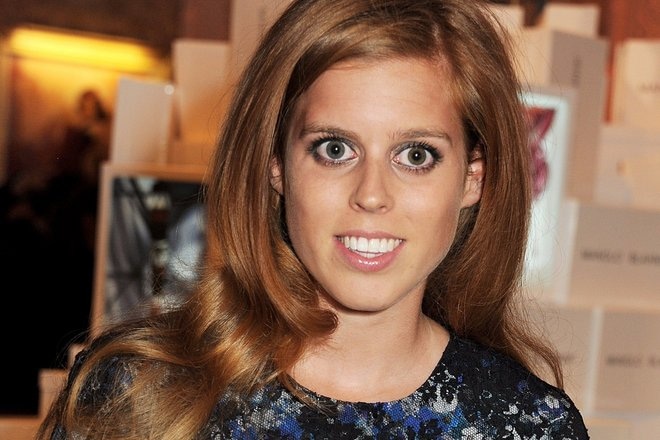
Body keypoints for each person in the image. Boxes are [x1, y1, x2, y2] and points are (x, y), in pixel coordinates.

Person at [37, 0, 590, 438]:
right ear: (276, 164)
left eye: (416, 155)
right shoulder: (132, 393)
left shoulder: (530, 425)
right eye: (334, 149)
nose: (371, 195)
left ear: (472, 179)